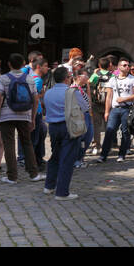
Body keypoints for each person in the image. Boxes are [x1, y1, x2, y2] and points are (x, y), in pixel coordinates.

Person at [41, 66, 85, 200]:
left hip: (53, 127)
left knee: (55, 156)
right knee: (67, 159)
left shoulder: (48, 92)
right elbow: (84, 107)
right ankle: (62, 192)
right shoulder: (71, 92)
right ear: (67, 78)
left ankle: (49, 186)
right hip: (68, 126)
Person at [0, 53, 39, 184]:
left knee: (8, 144)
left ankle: (12, 176)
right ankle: (33, 173)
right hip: (25, 114)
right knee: (27, 143)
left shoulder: (3, 78)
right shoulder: (30, 79)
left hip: (7, 115)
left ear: (9, 64)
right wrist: (33, 118)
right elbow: (36, 100)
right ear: (23, 63)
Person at [101, 58, 134, 164]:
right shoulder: (113, 80)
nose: (127, 67)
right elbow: (109, 97)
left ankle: (122, 154)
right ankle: (103, 155)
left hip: (127, 108)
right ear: (119, 67)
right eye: (124, 65)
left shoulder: (133, 79)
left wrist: (124, 99)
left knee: (125, 132)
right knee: (110, 131)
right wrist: (107, 111)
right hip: (115, 109)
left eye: (128, 65)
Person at [86, 56, 112, 156]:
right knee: (108, 126)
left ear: (99, 65)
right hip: (108, 103)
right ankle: (107, 146)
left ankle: (97, 146)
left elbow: (89, 83)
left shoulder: (96, 74)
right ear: (109, 65)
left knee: (96, 126)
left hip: (96, 103)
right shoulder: (112, 76)